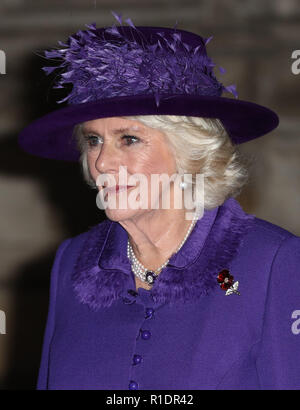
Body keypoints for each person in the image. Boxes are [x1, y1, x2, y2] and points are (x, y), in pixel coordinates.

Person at [18, 12, 300, 390]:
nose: (102, 162)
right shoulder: (71, 262)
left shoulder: (272, 262)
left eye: (128, 139)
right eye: (93, 140)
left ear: (189, 150)